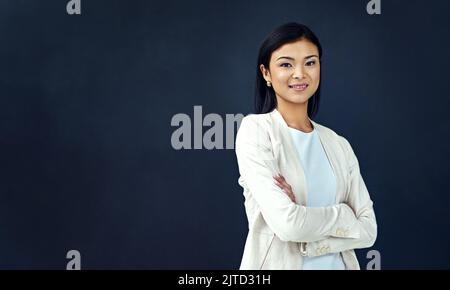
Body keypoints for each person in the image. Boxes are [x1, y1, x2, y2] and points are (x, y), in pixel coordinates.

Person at [235, 22, 377, 270]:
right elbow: (288, 224)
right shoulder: (256, 131)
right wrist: (343, 215)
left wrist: (306, 221)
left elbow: (368, 230)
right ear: (266, 73)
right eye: (286, 64)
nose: (300, 73)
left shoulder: (338, 144)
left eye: (310, 62)